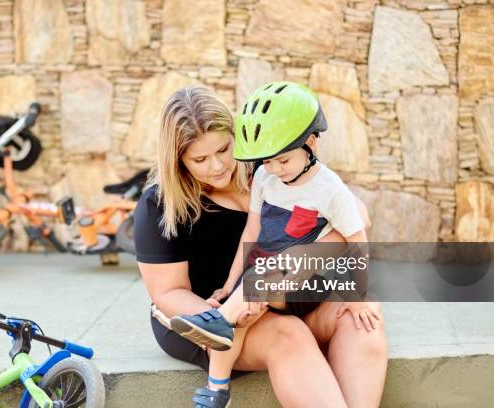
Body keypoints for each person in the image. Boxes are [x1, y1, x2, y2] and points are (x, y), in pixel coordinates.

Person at [134, 85, 387, 408]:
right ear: (179, 160)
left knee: (363, 318)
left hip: (285, 294)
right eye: (200, 159)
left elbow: (358, 217)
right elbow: (167, 293)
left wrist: (300, 258)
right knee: (288, 333)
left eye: (224, 149)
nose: (217, 166)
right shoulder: (160, 204)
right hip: (205, 313)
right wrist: (226, 316)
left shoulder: (271, 166)